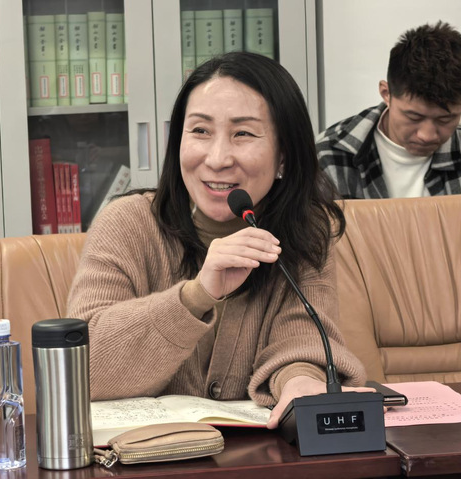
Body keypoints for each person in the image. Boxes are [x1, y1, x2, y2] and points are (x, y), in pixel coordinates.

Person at [66, 51, 368, 429]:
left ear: (284, 157)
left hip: (257, 455)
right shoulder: (126, 223)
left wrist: (301, 382)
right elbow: (83, 368)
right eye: (200, 131)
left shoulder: (306, 228)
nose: (218, 158)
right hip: (146, 454)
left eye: (243, 133)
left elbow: (301, 338)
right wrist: (197, 295)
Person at [316, 21, 461, 199]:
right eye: (414, 117)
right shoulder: (329, 153)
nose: (427, 135)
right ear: (386, 94)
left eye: (445, 120)